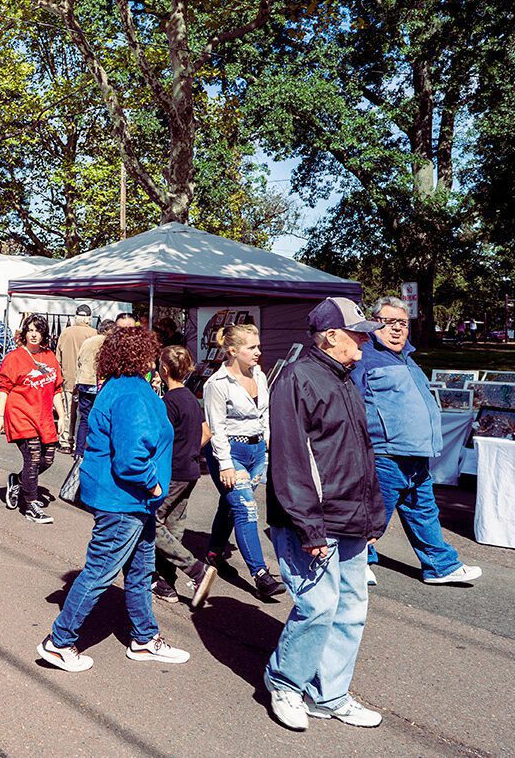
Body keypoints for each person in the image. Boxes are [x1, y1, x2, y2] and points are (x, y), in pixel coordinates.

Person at [264, 297, 387, 732]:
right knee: (317, 607)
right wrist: (309, 528)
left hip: (351, 518)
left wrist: (373, 520)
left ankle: (329, 695)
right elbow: (291, 462)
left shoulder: (346, 378)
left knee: (351, 609)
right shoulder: (298, 378)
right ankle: (285, 683)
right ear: (332, 335)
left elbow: (360, 455)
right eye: (358, 331)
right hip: (311, 522)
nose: (365, 338)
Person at [37, 327, 189, 672]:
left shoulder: (117, 386)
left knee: (139, 571)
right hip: (125, 500)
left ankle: (145, 639)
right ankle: (59, 642)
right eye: (151, 350)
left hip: (129, 501)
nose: (156, 356)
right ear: (142, 354)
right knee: (100, 572)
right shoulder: (133, 393)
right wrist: (152, 486)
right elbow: (130, 459)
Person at [352, 296, 483, 587]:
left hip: (416, 453)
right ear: (374, 324)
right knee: (375, 512)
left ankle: (440, 566)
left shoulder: (407, 359)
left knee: (423, 511)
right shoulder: (364, 357)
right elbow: (353, 403)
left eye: (402, 322)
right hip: (386, 453)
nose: (397, 329)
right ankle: (355, 562)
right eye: (388, 322)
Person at [202, 323, 284, 599]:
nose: (258, 352)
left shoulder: (259, 375)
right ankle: (260, 574)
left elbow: (265, 414)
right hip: (231, 454)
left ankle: (214, 552)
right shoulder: (216, 384)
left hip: (257, 453)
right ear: (233, 351)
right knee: (246, 509)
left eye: (258, 346)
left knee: (231, 505)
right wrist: (225, 463)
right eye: (252, 348)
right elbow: (217, 426)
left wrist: (269, 446)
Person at [151, 345, 218, 608]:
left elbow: (159, 438)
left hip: (173, 471)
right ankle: (166, 583)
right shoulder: (190, 397)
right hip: (190, 469)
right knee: (174, 526)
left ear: (164, 369)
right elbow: (206, 432)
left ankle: (196, 570)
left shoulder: (168, 402)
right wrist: (190, 450)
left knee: (152, 522)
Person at [0, 314, 65, 524]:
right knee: (33, 458)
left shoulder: (49, 356)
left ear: (44, 334)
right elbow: (4, 389)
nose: (34, 334)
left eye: (38, 330)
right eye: (30, 330)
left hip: (43, 416)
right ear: (24, 333)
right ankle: (30, 504)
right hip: (20, 415)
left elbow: (56, 389)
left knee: (48, 459)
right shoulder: (14, 357)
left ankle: (17, 480)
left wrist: (62, 415)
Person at [54, 304, 97, 453]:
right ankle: (80, 443)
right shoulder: (94, 334)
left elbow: (57, 358)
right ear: (89, 318)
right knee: (83, 414)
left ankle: (66, 441)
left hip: (68, 378)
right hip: (87, 380)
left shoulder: (65, 333)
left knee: (67, 412)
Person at [74, 319, 116, 458]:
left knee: (84, 418)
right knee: (97, 417)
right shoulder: (106, 343)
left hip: (83, 381)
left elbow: (79, 360)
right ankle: (91, 449)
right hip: (97, 382)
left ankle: (79, 451)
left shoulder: (88, 341)